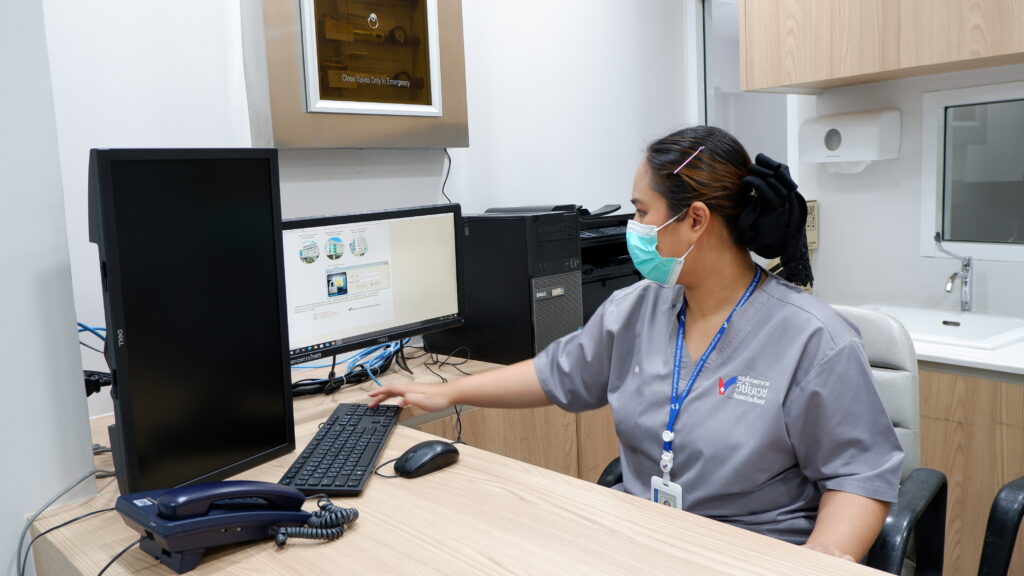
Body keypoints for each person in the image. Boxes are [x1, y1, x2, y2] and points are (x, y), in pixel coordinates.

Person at [369, 125, 903, 562]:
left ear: (696, 220)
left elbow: (858, 477)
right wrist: (449, 393)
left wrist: (823, 558)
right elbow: (559, 373)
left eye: (642, 212)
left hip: (751, 553)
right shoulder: (636, 308)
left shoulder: (814, 339)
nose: (634, 226)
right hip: (640, 540)